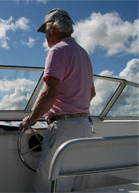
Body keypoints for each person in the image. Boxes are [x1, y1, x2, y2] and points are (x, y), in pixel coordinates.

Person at [19, 8, 96, 192]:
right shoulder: (83, 53)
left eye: (45, 31)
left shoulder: (57, 51)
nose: (45, 36)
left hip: (64, 130)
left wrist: (31, 119)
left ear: (52, 29)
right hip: (85, 127)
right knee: (76, 185)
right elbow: (91, 93)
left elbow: (49, 94)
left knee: (48, 186)